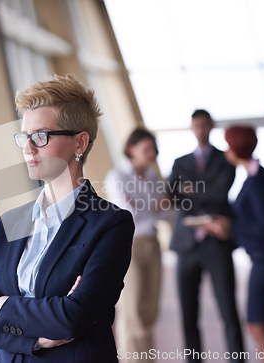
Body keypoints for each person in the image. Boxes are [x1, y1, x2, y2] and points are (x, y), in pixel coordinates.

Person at [0, 74, 135, 363]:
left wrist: (3, 305)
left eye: (41, 137)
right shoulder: (9, 224)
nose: (28, 148)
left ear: (80, 143)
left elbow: (72, 318)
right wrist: (35, 341)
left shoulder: (110, 224)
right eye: (24, 137)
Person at [205, 126, 264, 363]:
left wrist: (229, 228)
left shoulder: (256, 181)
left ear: (235, 149)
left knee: (256, 324)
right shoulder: (258, 176)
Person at [168, 110, 244, 363]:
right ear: (191, 128)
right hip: (186, 244)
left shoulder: (226, 159)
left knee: (228, 310)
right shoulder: (180, 162)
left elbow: (221, 193)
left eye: (204, 125)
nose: (200, 130)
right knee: (188, 314)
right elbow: (172, 196)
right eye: (196, 125)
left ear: (211, 126)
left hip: (216, 243)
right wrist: (204, 189)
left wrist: (189, 189)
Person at [104, 128, 166, 362]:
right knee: (132, 313)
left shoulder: (152, 177)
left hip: (152, 243)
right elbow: (128, 212)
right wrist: (152, 207)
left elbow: (166, 213)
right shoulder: (117, 177)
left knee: (149, 313)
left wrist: (144, 206)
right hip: (128, 246)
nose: (152, 154)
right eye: (146, 149)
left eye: (154, 149)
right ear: (131, 149)